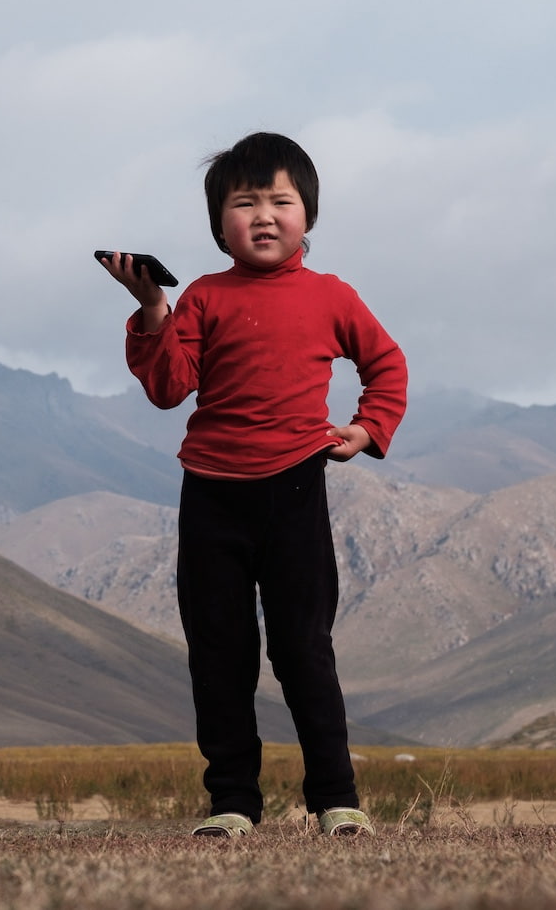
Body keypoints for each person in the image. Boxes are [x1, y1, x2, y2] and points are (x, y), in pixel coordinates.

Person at [98, 131, 407, 838]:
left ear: (309, 215)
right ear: (219, 225)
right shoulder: (202, 298)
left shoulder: (332, 296)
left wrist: (367, 428)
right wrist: (153, 311)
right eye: (245, 203)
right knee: (219, 650)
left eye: (281, 201)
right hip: (210, 494)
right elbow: (170, 389)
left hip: (296, 488)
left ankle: (336, 800)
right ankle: (232, 803)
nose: (264, 215)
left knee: (303, 647)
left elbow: (387, 366)